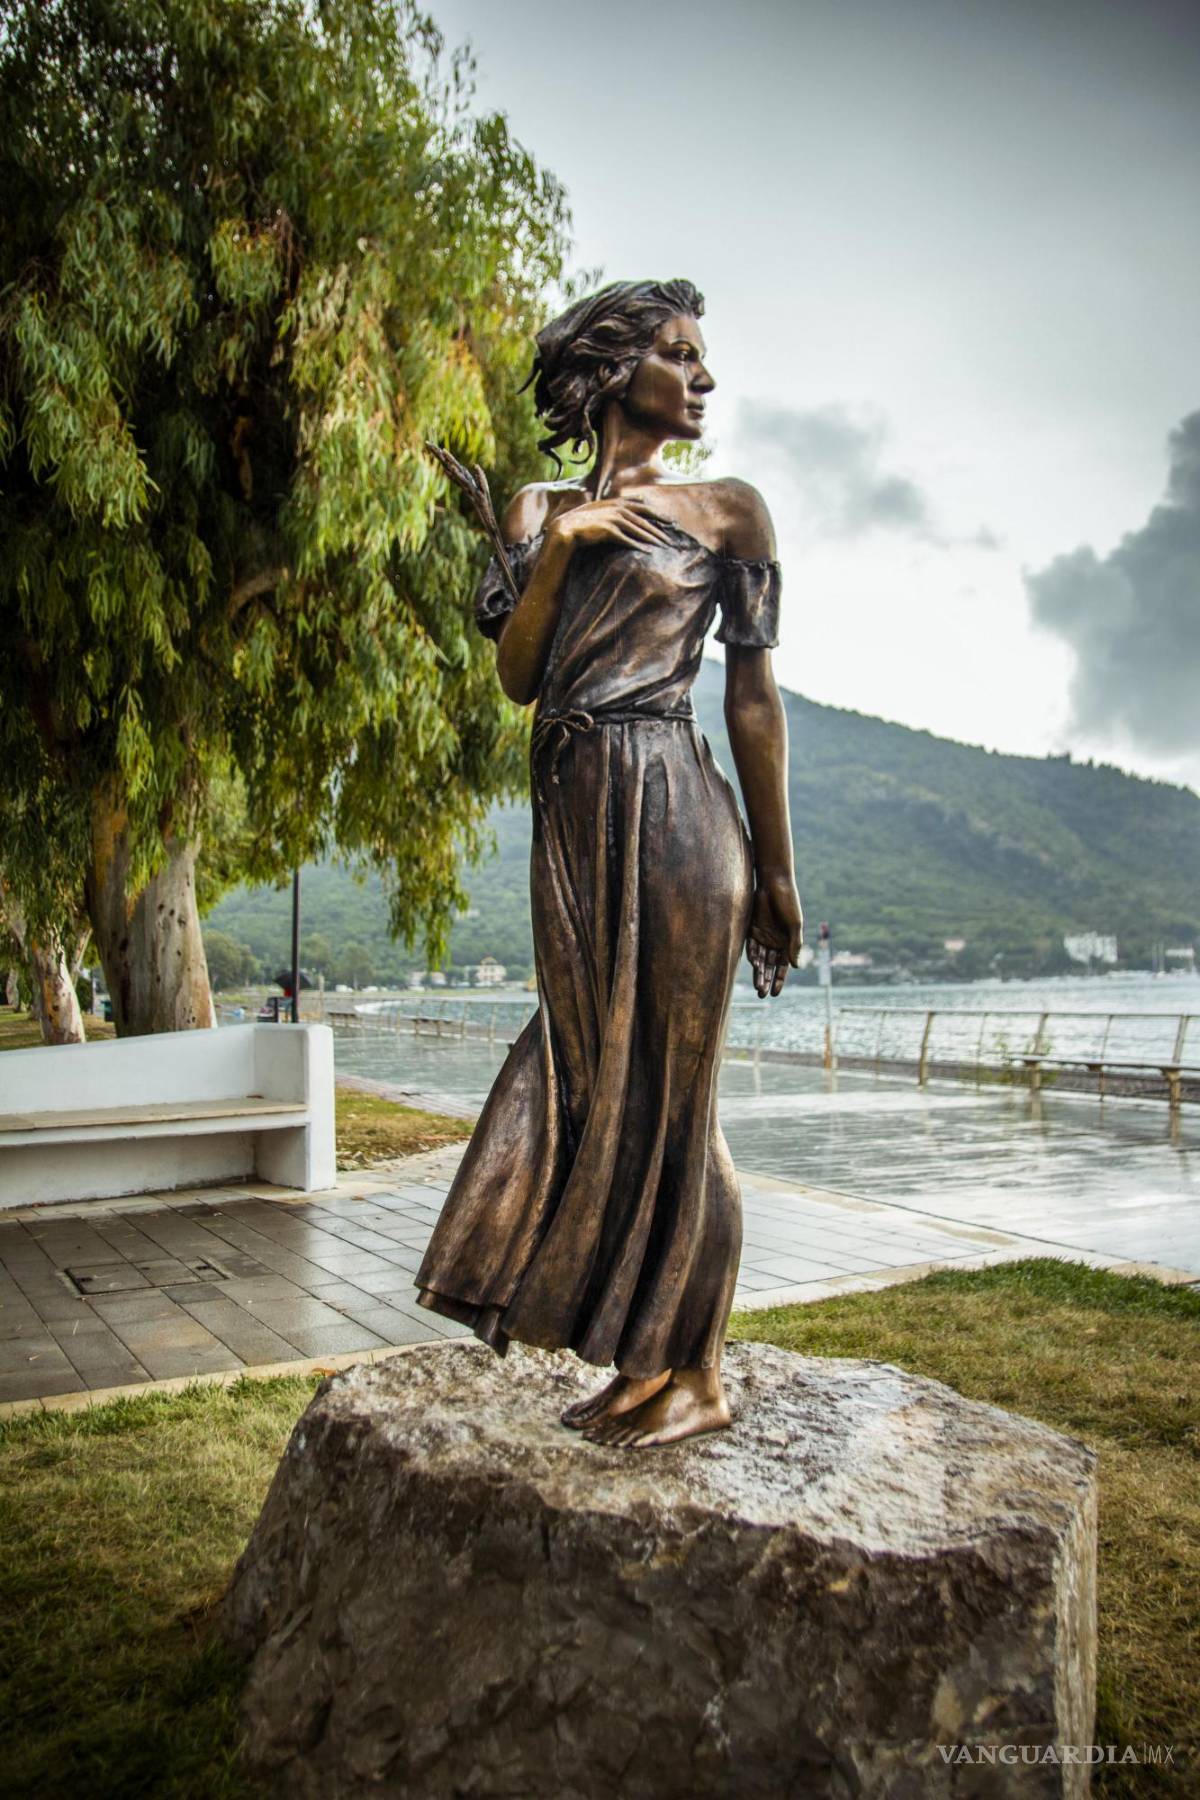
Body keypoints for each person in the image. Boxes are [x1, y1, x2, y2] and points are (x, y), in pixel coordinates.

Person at [415, 279, 803, 1448]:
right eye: (679, 356)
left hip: (679, 811)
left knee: (679, 1100)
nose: (703, 379)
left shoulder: (730, 512)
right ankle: (644, 1358)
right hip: (574, 817)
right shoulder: (541, 507)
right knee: (592, 1080)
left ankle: (698, 1373)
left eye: (702, 358)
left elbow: (753, 698)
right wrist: (562, 546)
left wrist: (776, 875)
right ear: (613, 367)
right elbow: (520, 679)